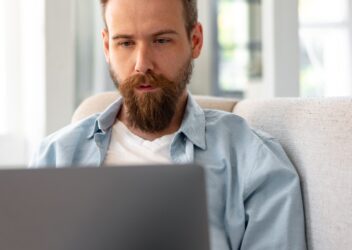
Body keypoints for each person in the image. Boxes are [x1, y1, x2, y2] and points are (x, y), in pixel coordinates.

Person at [31, 0, 307, 249]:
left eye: (161, 40)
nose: (142, 64)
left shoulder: (253, 160)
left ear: (195, 40)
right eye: (125, 43)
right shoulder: (55, 156)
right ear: (106, 46)